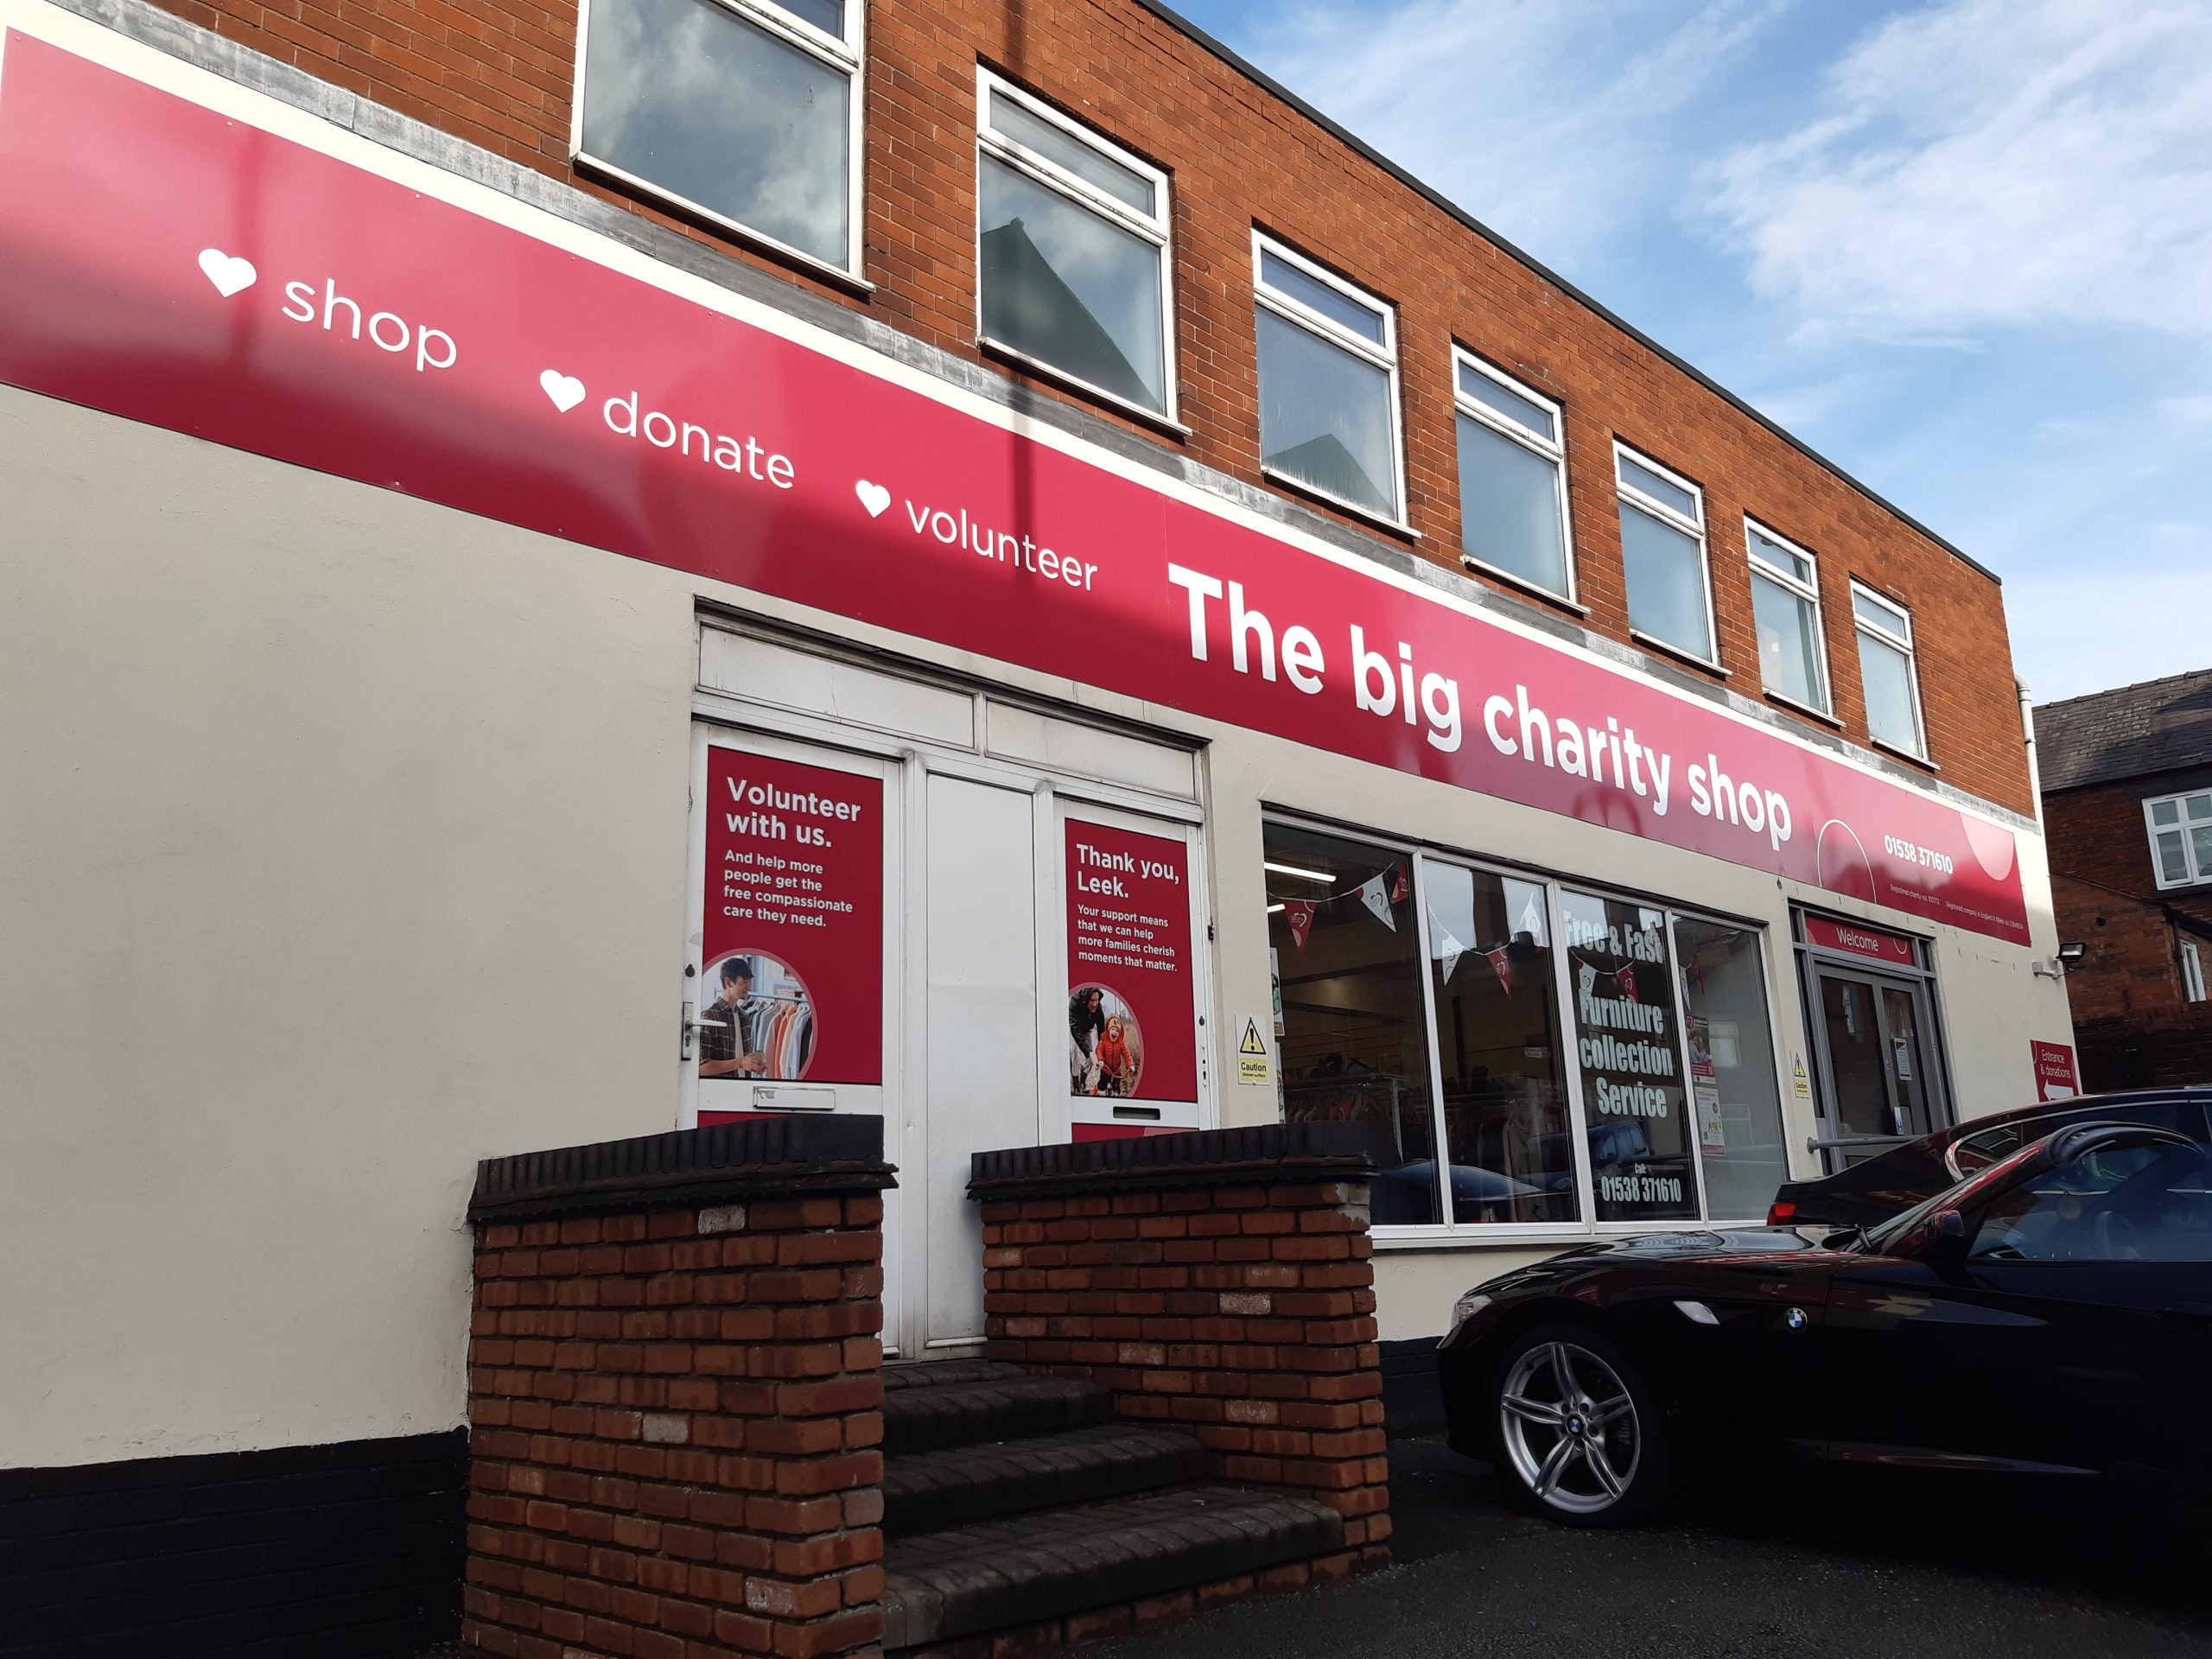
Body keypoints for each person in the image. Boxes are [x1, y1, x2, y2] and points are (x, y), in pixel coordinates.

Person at [698, 957, 771, 1078]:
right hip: (720, 1092)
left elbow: (742, 1059)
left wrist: (753, 1064)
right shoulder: (709, 1017)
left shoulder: (744, 1017)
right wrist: (740, 1063)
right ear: (728, 982)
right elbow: (702, 1068)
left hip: (743, 1089)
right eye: (744, 982)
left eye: (749, 982)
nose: (749, 988)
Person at [1069, 987, 1106, 1093]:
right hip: (1076, 1029)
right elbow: (1075, 1030)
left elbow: (1101, 1031)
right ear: (1086, 1000)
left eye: (1097, 1000)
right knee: (1074, 1051)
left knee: (1092, 1055)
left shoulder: (1099, 1009)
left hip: (1088, 1029)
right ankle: (1075, 1083)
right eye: (1092, 1001)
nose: (1095, 1004)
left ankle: (1083, 1078)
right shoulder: (1074, 1003)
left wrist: (1101, 1053)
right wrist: (1088, 1052)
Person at [1093, 1014, 1135, 1097]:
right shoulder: (1104, 1042)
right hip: (1106, 1069)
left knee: (1116, 1087)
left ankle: (1115, 1096)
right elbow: (1099, 1050)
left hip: (1116, 1070)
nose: (1114, 1032)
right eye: (1112, 1029)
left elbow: (1127, 1054)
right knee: (1103, 1085)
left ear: (1119, 1033)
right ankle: (1097, 1089)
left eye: (1117, 1030)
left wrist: (1131, 1065)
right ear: (1108, 1031)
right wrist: (1101, 1060)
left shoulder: (1120, 1044)